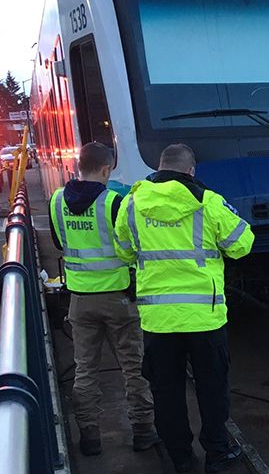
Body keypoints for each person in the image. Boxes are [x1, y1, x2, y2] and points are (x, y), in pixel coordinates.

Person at [113, 144, 255, 473]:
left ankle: (180, 457)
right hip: (204, 318)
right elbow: (243, 244)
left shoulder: (131, 203)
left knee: (167, 392)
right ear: (191, 171)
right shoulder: (209, 202)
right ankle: (217, 455)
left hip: (158, 321)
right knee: (212, 388)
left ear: (159, 167)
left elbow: (123, 252)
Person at [48, 142, 158, 456]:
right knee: (133, 367)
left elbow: (59, 243)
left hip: (80, 300)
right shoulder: (113, 202)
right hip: (119, 299)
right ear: (107, 169)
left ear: (77, 165)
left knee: (85, 368)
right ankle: (143, 430)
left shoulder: (57, 201)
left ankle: (91, 436)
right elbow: (130, 245)